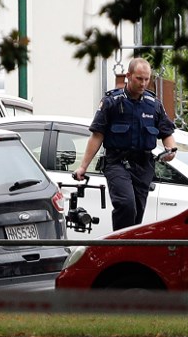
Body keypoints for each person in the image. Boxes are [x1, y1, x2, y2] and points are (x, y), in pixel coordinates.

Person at [73, 57, 177, 231]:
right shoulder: (112, 102)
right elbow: (97, 135)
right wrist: (83, 167)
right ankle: (121, 246)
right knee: (126, 205)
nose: (143, 83)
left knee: (137, 212)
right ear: (128, 75)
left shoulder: (154, 105)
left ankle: (129, 249)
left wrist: (170, 150)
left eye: (146, 79)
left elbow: (167, 134)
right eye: (139, 78)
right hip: (117, 163)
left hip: (143, 166)